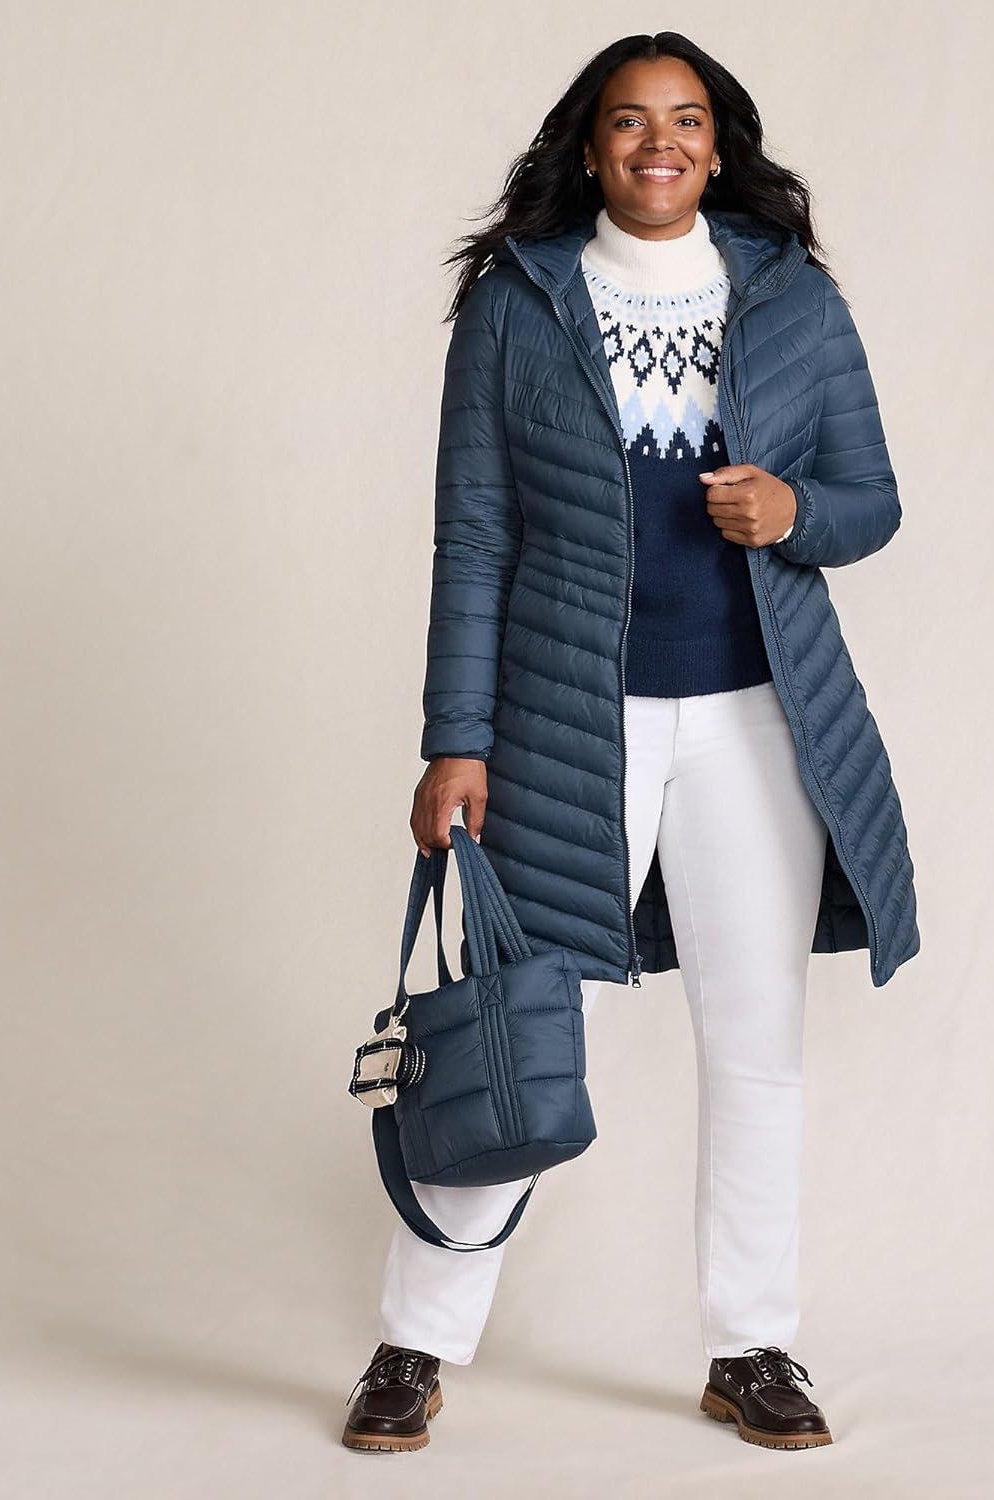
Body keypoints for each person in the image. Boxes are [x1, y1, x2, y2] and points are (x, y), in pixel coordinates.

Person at [343, 30, 920, 1455]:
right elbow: (474, 534)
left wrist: (795, 513)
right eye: (628, 121)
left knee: (757, 1045)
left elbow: (872, 497)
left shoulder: (794, 298)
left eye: (686, 120)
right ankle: (415, 1344)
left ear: (718, 148)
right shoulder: (518, 303)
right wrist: (455, 739)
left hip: (757, 721)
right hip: (563, 724)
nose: (658, 142)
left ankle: (753, 1346)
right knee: (516, 1029)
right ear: (591, 146)